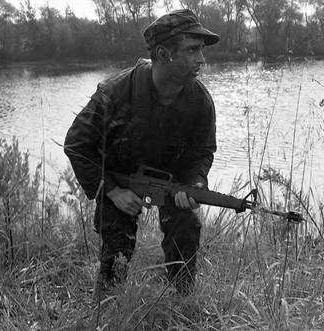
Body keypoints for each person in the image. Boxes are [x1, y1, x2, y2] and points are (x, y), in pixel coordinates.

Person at [64, 9, 220, 298]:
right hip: (119, 181)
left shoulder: (199, 101)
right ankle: (108, 305)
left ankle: (181, 299)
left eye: (201, 50)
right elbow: (77, 145)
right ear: (163, 53)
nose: (202, 59)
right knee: (117, 244)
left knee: (187, 223)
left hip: (171, 179)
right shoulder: (114, 93)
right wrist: (111, 191)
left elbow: (202, 150)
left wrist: (196, 182)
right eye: (192, 50)